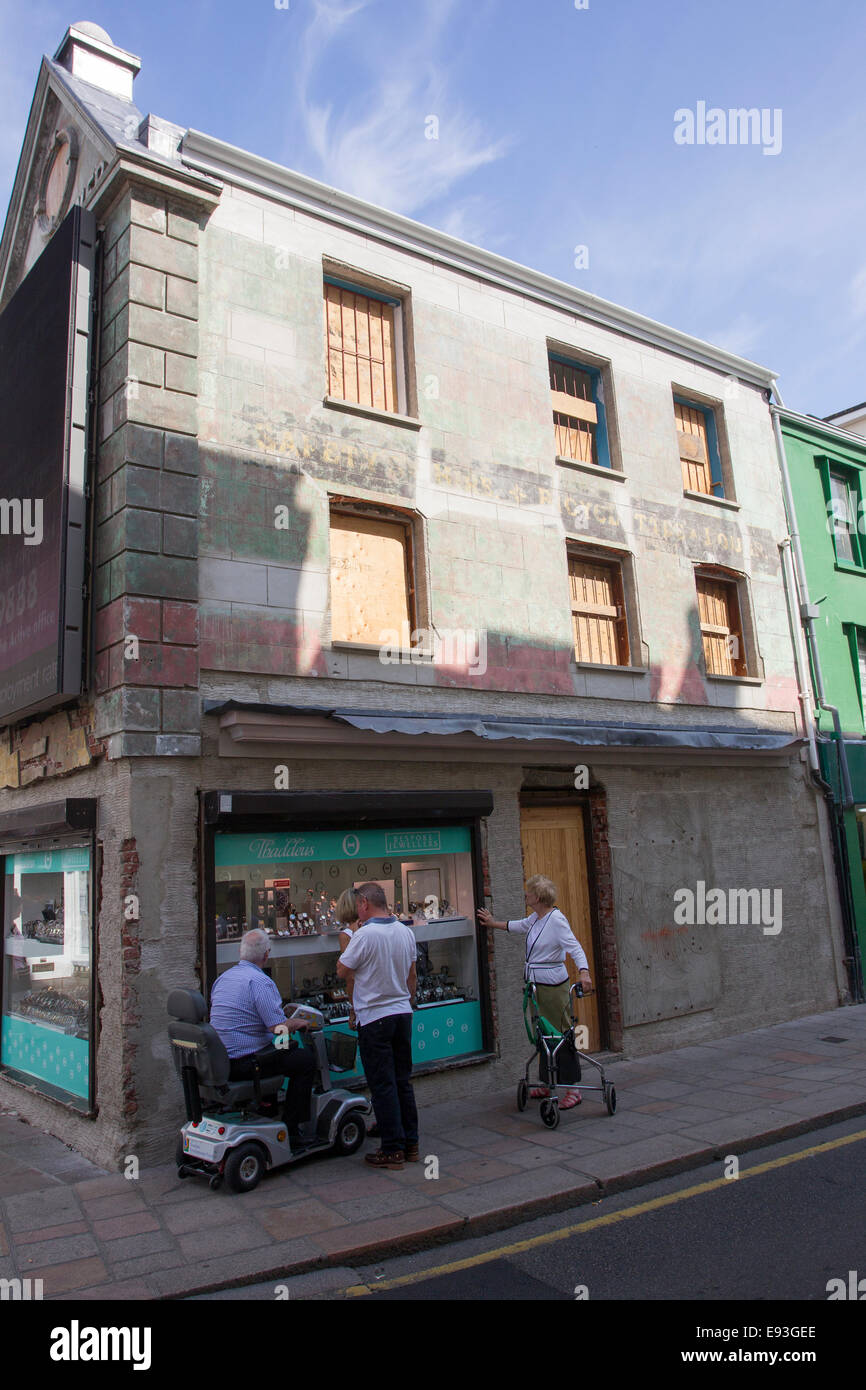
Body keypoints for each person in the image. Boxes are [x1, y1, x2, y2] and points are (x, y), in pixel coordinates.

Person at [477, 874, 592, 1110]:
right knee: (542, 1034)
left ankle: (573, 1089)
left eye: (528, 892)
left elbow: (575, 947)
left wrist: (584, 972)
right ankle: (547, 1081)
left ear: (538, 897)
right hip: (536, 985)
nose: (525, 895)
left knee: (560, 1034)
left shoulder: (556, 920)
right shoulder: (536, 918)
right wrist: (492, 923)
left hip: (553, 986)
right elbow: (517, 926)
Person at [209, 927, 315, 1150]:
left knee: (286, 1048)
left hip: (224, 1059)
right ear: (266, 954)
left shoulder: (223, 979)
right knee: (304, 1060)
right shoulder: (260, 982)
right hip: (248, 1061)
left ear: (241, 952)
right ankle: (292, 1128)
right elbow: (278, 1028)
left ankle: (267, 1107)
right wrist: (298, 1023)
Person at [336, 881, 418, 1169]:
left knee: (382, 1084)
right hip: (402, 1013)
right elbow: (412, 976)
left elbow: (342, 970)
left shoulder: (364, 935)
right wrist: (408, 1003)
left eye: (359, 903)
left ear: (364, 905)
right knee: (402, 1081)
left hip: (375, 1017)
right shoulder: (405, 932)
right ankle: (411, 1143)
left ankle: (392, 1149)